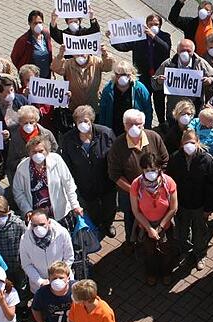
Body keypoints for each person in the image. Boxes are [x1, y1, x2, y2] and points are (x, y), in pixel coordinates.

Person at [107, 109, 169, 250]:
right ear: (124, 126)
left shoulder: (154, 137)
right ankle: (131, 241)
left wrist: (157, 181)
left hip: (155, 190)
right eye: (130, 124)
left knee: (154, 215)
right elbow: (114, 174)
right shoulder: (118, 145)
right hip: (129, 193)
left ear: (144, 124)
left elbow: (164, 160)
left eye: (138, 124)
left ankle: (154, 239)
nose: (134, 127)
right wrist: (134, 190)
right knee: (130, 217)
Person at [59, 106, 118, 238]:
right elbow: (66, 164)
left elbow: (115, 156)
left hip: (106, 181)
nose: (83, 124)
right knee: (92, 208)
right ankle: (97, 225)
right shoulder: (68, 139)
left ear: (91, 120)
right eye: (79, 121)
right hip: (85, 183)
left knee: (110, 206)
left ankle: (108, 224)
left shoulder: (106, 134)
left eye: (85, 121)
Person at [168, 130, 213, 270]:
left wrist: (209, 208)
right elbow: (170, 182)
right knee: (181, 231)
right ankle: (184, 251)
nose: (189, 145)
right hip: (182, 205)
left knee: (200, 232)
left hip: (200, 206)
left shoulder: (207, 160)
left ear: (197, 142)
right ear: (181, 144)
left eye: (192, 142)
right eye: (186, 143)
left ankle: (200, 254)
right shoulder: (175, 158)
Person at [110, 13, 172, 123]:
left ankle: (162, 122)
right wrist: (112, 39)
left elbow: (166, 49)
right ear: (146, 25)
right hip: (143, 76)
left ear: (160, 25)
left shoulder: (165, 36)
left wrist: (154, 36)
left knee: (159, 101)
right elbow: (124, 47)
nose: (153, 26)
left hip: (159, 76)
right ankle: (146, 122)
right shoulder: (139, 37)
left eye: (156, 24)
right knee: (144, 100)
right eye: (150, 24)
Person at [12, 135, 82, 226]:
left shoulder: (56, 160)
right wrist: (27, 210)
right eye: (34, 152)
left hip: (60, 214)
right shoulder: (22, 167)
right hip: (36, 217)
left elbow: (68, 183)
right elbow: (18, 192)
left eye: (41, 151)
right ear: (29, 153)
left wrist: (75, 205)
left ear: (47, 151)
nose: (38, 154)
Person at [130, 153, 178, 286]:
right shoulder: (136, 185)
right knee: (149, 252)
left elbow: (173, 208)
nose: (150, 173)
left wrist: (161, 227)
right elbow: (136, 211)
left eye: (153, 170)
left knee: (167, 251)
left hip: (165, 225)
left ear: (159, 169)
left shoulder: (168, 183)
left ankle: (166, 272)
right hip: (145, 226)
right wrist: (149, 229)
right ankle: (151, 273)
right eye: (146, 170)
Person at [151, 39, 213, 120]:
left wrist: (210, 81)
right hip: (174, 110)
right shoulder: (168, 64)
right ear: (177, 51)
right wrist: (159, 81)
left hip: (195, 110)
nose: (185, 53)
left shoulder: (200, 63)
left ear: (193, 51)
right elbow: (154, 82)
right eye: (182, 50)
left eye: (188, 51)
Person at [19, 209, 75, 294]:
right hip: (40, 287)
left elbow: (69, 257)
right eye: (35, 225)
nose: (38, 228)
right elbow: (26, 264)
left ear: (49, 222)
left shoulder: (62, 233)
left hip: (63, 282)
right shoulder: (25, 239)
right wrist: (40, 281)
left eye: (42, 224)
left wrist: (60, 277)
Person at [97, 60, 153, 137]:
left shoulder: (140, 89)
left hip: (134, 130)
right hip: (114, 130)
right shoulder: (108, 89)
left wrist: (146, 130)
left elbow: (148, 110)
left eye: (124, 74)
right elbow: (103, 111)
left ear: (130, 74)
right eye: (118, 74)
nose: (121, 77)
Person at [52, 43, 114, 112]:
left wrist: (105, 54)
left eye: (83, 52)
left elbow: (108, 67)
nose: (80, 54)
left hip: (93, 107)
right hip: (75, 108)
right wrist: (60, 55)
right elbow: (56, 68)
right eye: (77, 52)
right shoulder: (68, 64)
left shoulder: (96, 61)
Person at [6, 105, 59, 183]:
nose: (28, 125)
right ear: (20, 122)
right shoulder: (15, 138)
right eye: (25, 123)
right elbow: (11, 163)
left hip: (47, 175)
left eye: (31, 122)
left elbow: (55, 152)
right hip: (25, 177)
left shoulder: (47, 134)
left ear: (36, 121)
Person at [11, 10, 53, 77]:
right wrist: (24, 72)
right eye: (35, 23)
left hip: (46, 75)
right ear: (29, 24)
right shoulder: (23, 40)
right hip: (32, 78)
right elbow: (15, 57)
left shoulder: (46, 34)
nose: (38, 25)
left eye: (40, 22)